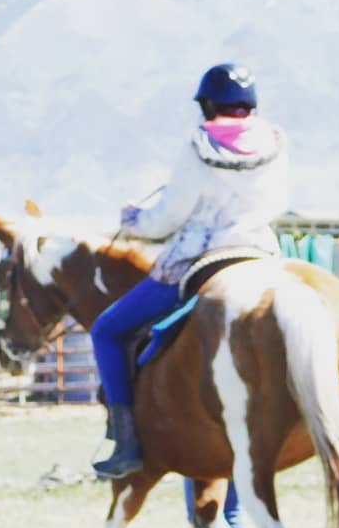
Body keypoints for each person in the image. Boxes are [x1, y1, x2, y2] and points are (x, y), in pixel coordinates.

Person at [90, 62, 290, 479]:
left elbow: (170, 216)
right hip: (260, 252)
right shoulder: (276, 142)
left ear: (208, 104)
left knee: (107, 330)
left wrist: (134, 221)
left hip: (199, 255)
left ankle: (126, 440)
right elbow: (279, 202)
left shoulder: (197, 146)